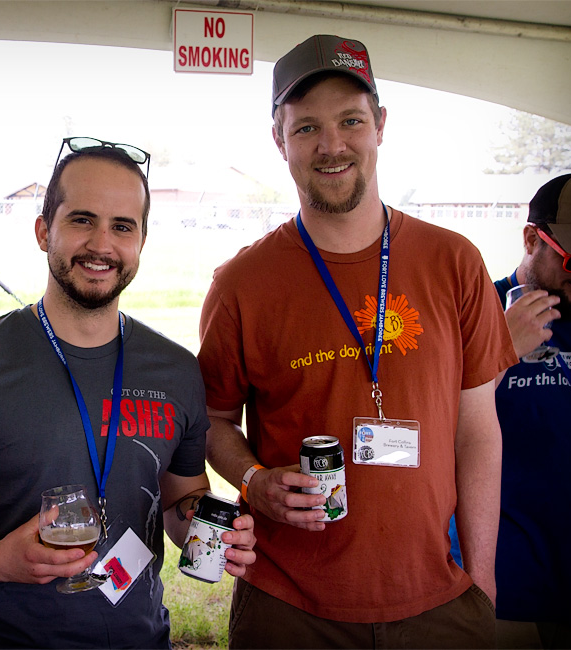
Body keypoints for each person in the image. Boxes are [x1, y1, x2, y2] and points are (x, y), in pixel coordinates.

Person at [197, 34, 517, 649]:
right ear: (279, 139)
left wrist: (482, 583)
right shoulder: (241, 283)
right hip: (288, 606)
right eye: (307, 128)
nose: (332, 145)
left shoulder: (454, 262)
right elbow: (212, 420)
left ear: (380, 126)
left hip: (439, 601)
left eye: (351, 121)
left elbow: (478, 430)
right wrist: (253, 478)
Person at [0, 139, 255, 649]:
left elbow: (179, 501)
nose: (102, 244)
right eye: (83, 220)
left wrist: (211, 529)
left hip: (139, 640)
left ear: (141, 241)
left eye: (122, 226)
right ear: (44, 231)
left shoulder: (175, 370)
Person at [493, 172, 571, 649]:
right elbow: (424, 420)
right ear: (532, 239)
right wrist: (500, 350)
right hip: (509, 583)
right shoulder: (476, 309)